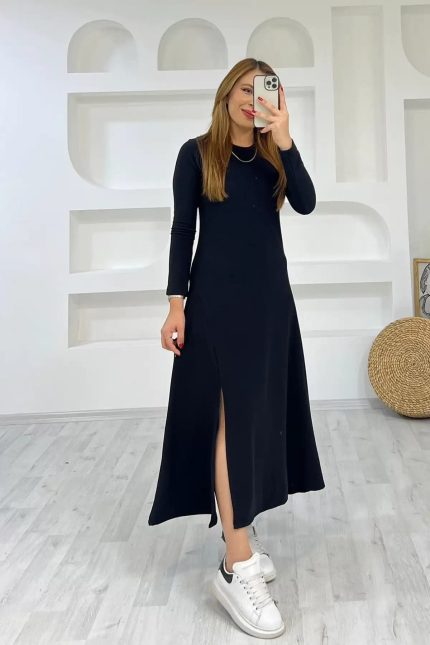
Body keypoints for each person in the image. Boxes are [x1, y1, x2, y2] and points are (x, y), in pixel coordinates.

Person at [148, 57, 325, 639]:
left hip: (270, 305)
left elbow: (307, 203)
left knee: (257, 422)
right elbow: (183, 231)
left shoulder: (274, 156)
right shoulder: (196, 154)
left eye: (264, 91)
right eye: (245, 89)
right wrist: (176, 304)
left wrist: (286, 137)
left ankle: (238, 529)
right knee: (232, 422)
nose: (253, 99)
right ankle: (236, 562)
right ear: (226, 94)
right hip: (216, 308)